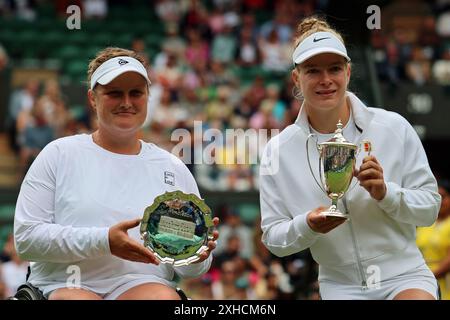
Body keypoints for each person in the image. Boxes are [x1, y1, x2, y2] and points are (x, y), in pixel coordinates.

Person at [14, 47, 219, 300]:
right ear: (92, 98)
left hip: (143, 282)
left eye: (136, 93)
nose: (126, 102)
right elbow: (26, 239)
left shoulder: (173, 168)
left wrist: (196, 254)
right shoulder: (58, 154)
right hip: (63, 283)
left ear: (147, 96)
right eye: (114, 93)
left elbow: (189, 269)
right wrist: (104, 241)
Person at [259, 17, 441, 300]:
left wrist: (386, 193)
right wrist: (307, 225)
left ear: (348, 71)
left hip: (405, 275)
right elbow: (273, 238)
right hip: (340, 286)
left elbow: (430, 209)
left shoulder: (394, 127)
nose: (325, 80)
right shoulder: (277, 151)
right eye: (313, 71)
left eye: (334, 68)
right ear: (297, 77)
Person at [417, 179, 450, 299]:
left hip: (442, 279)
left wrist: (429, 277)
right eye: (437, 197)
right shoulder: (426, 223)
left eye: (444, 197)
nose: (440, 201)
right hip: (421, 278)